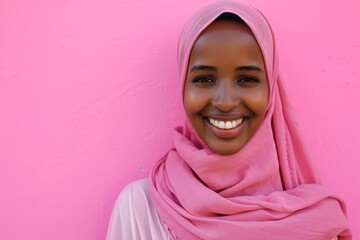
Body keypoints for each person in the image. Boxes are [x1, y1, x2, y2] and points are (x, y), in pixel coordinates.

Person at [106, 1, 352, 239]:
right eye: (204, 79)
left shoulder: (313, 222)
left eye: (247, 79)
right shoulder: (141, 209)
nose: (225, 102)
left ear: (271, 91)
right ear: (183, 86)